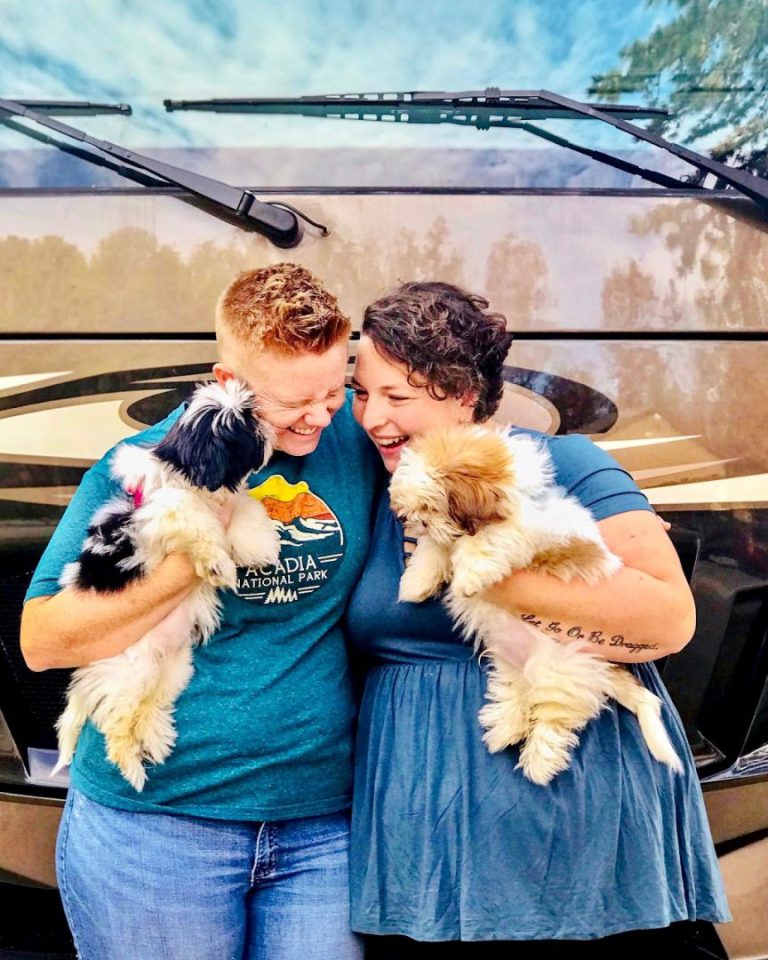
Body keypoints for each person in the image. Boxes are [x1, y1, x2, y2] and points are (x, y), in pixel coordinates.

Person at [346, 281, 730, 957]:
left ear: (462, 392)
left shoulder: (567, 463)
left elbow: (668, 618)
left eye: (396, 397)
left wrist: (494, 566)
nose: (372, 417)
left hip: (570, 820)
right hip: (419, 839)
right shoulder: (369, 483)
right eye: (361, 392)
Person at [20, 263, 382, 960]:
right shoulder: (144, 463)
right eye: (292, 404)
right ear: (226, 384)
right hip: (158, 829)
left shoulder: (357, 442)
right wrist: (189, 559)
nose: (318, 418)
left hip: (321, 829)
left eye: (332, 393)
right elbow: (42, 640)